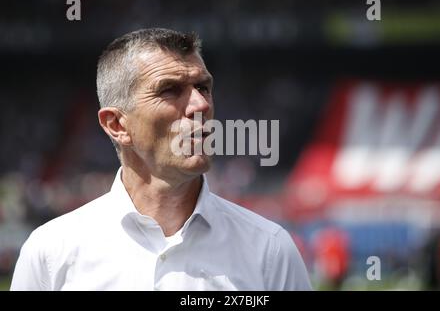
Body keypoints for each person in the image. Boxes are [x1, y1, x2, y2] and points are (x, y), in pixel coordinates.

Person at [10, 28, 312, 291]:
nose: (200, 104)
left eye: (203, 87)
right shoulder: (50, 252)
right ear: (117, 125)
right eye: (170, 90)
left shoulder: (270, 249)